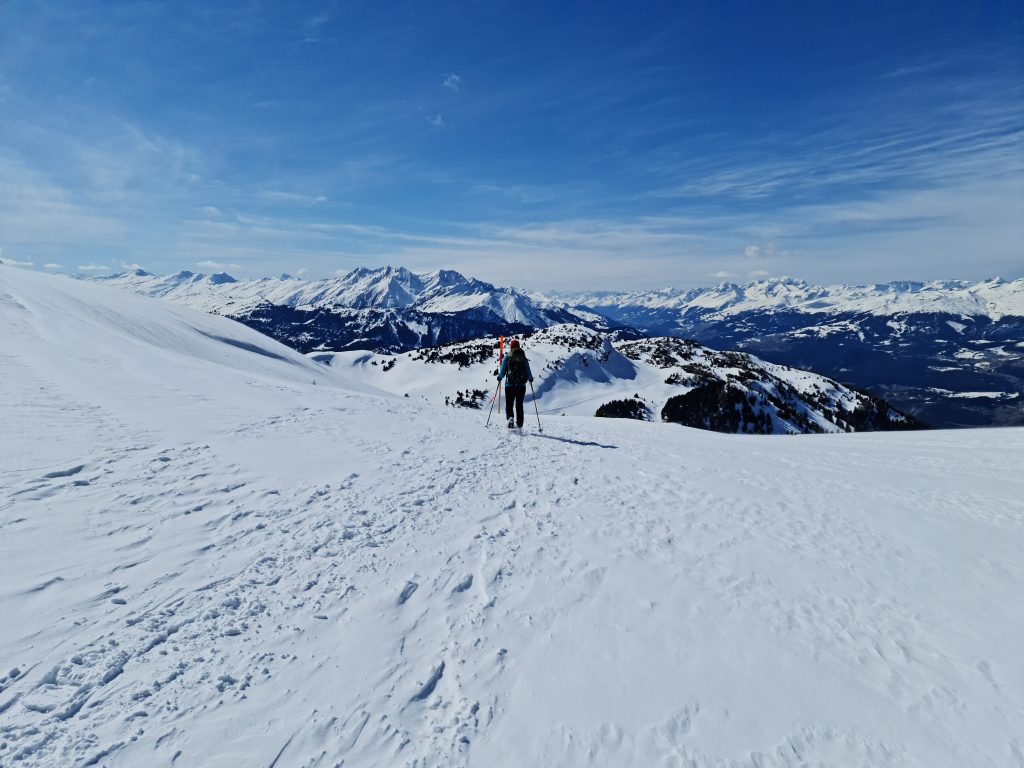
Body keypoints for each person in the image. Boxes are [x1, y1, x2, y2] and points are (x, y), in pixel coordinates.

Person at [496, 339, 534, 428]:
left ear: (511, 347)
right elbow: (528, 369)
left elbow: (502, 370)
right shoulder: (523, 357)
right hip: (521, 385)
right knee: (519, 405)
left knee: (509, 404)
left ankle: (510, 418)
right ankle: (520, 423)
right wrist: (530, 378)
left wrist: (499, 377)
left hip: (510, 385)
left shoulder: (507, 357)